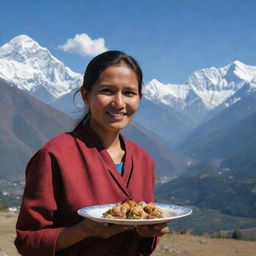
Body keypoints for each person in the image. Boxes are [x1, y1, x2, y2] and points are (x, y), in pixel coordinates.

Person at [15, 50, 169, 256]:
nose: (119, 103)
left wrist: (153, 230)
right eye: (107, 91)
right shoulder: (55, 156)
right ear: (86, 95)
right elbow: (28, 241)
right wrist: (82, 231)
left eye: (129, 93)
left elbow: (142, 239)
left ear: (139, 98)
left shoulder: (143, 161)